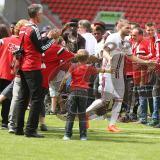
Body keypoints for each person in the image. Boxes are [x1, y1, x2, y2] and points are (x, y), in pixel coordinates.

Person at [86, 19, 155, 132]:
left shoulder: (127, 41)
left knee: (119, 99)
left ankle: (111, 125)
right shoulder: (113, 38)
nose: (129, 30)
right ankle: (85, 115)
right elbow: (105, 51)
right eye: (127, 28)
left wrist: (146, 63)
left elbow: (131, 56)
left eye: (130, 28)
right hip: (107, 73)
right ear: (120, 27)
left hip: (119, 74)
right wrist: (109, 59)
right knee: (105, 100)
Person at [15, 4, 56, 138]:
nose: (43, 15)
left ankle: (18, 128)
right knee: (37, 98)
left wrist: (46, 37)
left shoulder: (23, 28)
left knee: (23, 98)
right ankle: (31, 130)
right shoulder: (34, 28)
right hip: (33, 66)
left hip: (23, 66)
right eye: (41, 13)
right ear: (37, 14)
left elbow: (29, 45)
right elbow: (42, 48)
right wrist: (52, 39)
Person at [60, 49, 111, 140]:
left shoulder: (73, 66)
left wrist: (60, 88)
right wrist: (109, 71)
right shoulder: (89, 68)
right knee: (82, 115)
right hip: (83, 92)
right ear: (87, 59)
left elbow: (65, 78)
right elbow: (99, 70)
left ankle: (67, 135)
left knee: (71, 114)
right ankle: (83, 136)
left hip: (73, 91)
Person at [0, 24, 15, 129]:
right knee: (6, 99)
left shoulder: (2, 41)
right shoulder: (14, 41)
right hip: (9, 73)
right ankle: (5, 121)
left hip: (1, 71)